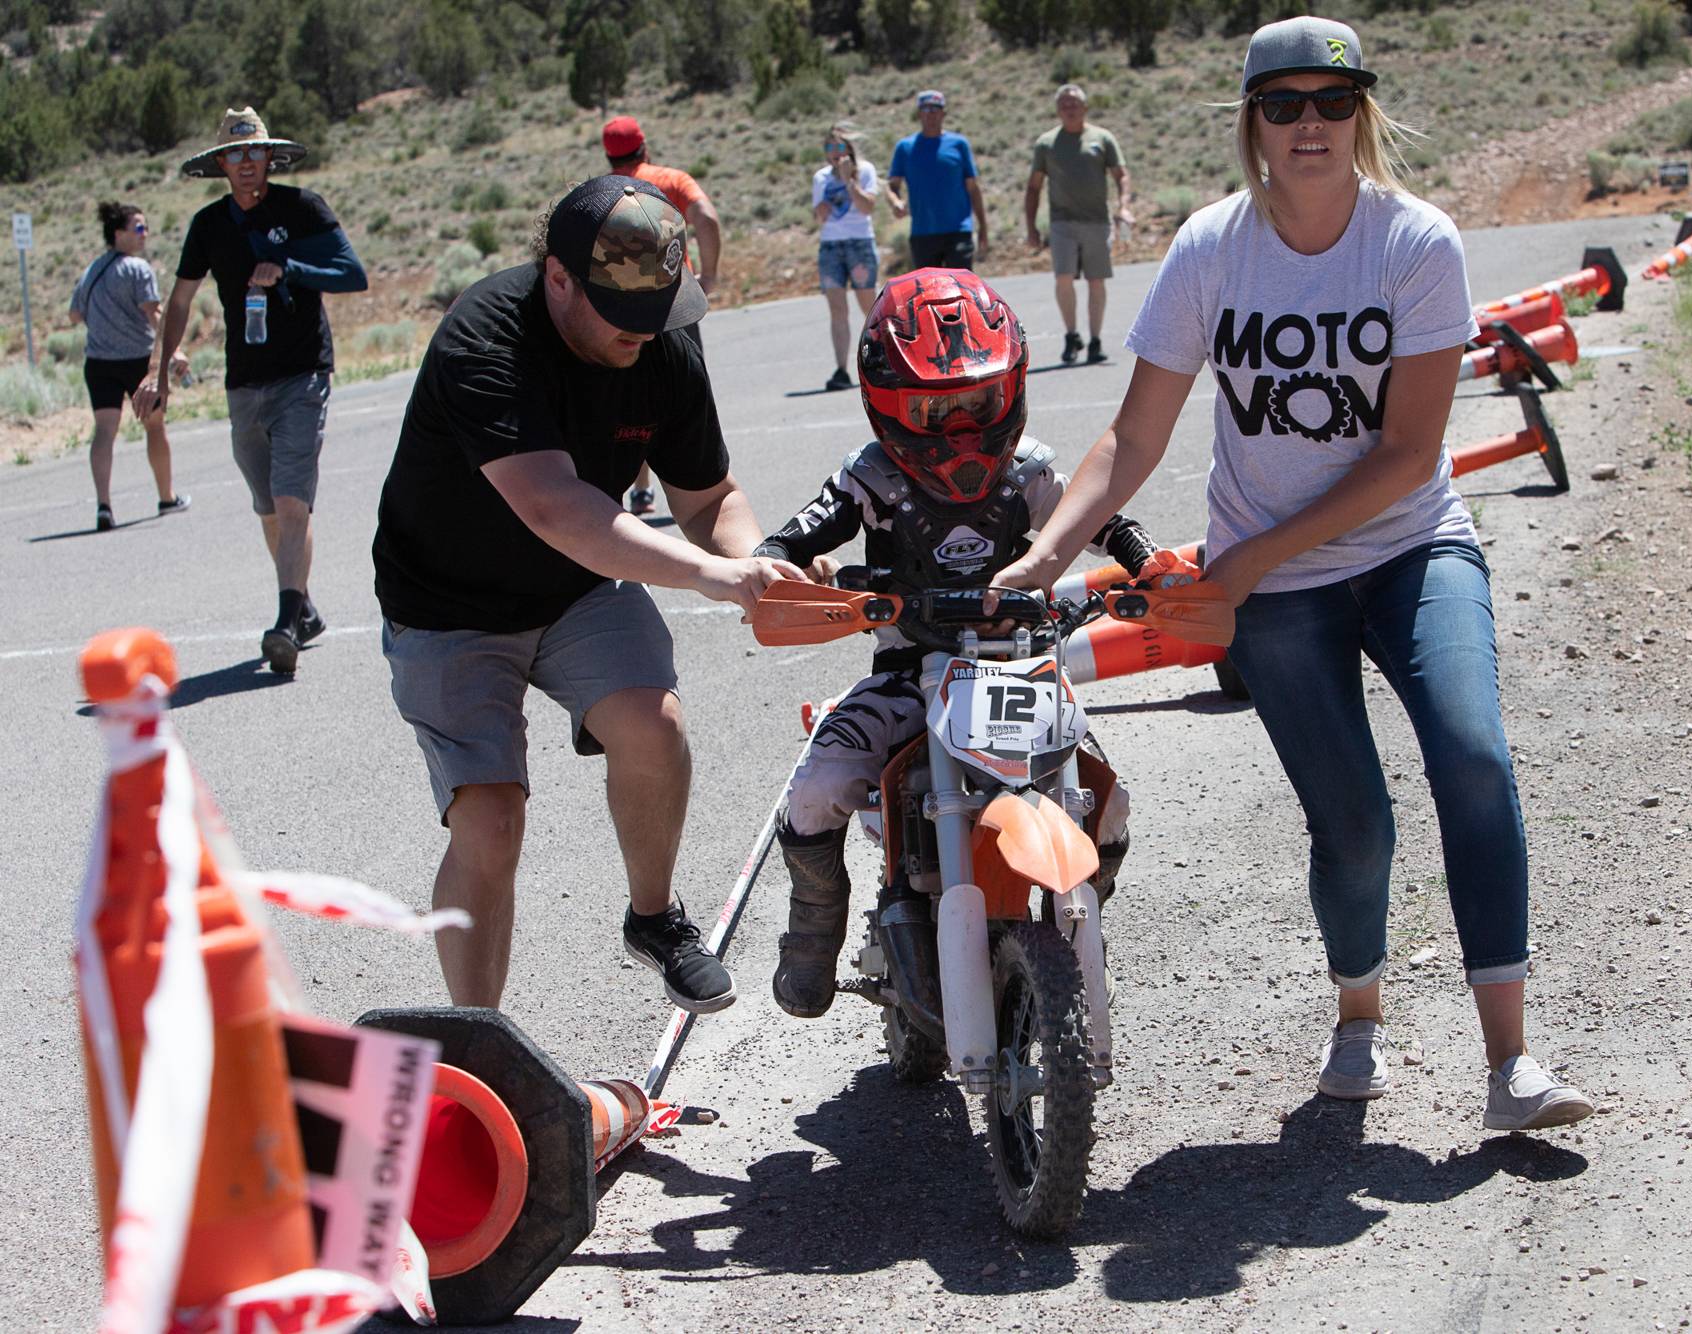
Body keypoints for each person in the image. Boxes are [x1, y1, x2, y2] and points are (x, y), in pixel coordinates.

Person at [990, 18, 1594, 1133]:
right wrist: (1043, 554)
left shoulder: (1415, 242)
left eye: (1330, 101)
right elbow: (1129, 439)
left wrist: (1244, 560)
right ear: (1250, 123)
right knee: (1352, 821)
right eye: (1282, 104)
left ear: (1359, 112)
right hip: (1275, 589)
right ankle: (1357, 1014)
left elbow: (1410, 453)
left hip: (1407, 546)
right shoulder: (1211, 249)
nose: (1307, 124)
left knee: (1471, 754)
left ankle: (1508, 1062)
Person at [371, 176, 805, 1010]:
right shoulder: (486, 339)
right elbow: (555, 507)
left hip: (575, 589)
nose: (643, 336)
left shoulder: (657, 337)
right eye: (624, 318)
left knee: (653, 724)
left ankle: (654, 918)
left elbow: (709, 499)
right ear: (558, 278)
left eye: (657, 315)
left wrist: (761, 561)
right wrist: (715, 577)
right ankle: (481, 1039)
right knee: (490, 824)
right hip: (447, 607)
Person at [753, 268, 1181, 1019]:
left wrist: (1147, 562)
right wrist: (783, 567)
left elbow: (1100, 518)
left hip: (1019, 673)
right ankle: (814, 929)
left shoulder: (1031, 471)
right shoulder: (871, 478)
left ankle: (1077, 913)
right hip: (906, 677)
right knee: (818, 788)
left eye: (977, 405)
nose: (959, 431)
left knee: (1105, 803)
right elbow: (794, 536)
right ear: (888, 407)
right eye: (933, 409)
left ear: (1011, 389)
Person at [135, 107, 367, 676]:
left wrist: (287, 266)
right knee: (268, 506)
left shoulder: (302, 208)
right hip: (243, 382)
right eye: (234, 154)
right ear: (220, 163)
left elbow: (351, 274)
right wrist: (157, 372)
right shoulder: (208, 226)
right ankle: (304, 606)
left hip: (303, 374)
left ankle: (285, 623)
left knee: (292, 500)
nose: (245, 163)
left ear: (269, 156)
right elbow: (182, 300)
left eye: (254, 152)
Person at [603, 114, 724, 517]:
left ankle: (636, 491)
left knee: (626, 396)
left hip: (619, 309)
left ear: (608, 155)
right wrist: (708, 275)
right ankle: (697, 493)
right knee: (685, 393)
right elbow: (705, 216)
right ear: (645, 148)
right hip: (674, 303)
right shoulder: (670, 180)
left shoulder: (603, 192)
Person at [70, 200, 190, 531]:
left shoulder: (92, 270)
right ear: (119, 233)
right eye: (138, 227)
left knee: (104, 431)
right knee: (154, 427)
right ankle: (166, 497)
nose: (144, 233)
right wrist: (175, 351)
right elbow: (154, 314)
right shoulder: (138, 269)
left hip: (98, 363)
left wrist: (105, 325)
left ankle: (103, 506)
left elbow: (74, 314)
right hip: (138, 363)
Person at [1024, 84, 1135, 367]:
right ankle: (1072, 335)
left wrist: (1124, 205)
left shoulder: (1102, 138)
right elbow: (1034, 187)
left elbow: (1121, 174)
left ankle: (1095, 341)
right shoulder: (1046, 144)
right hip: (1062, 223)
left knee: (1096, 281)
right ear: (1057, 110)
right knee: (1063, 278)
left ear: (1084, 107)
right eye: (1063, 104)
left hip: (1096, 221)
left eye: (1074, 103)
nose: (1069, 108)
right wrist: (1031, 227)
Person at [812, 122, 880, 393]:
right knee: (837, 309)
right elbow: (821, 217)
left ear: (849, 149)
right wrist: (826, 200)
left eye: (839, 146)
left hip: (859, 243)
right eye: (829, 147)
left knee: (869, 307)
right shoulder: (821, 178)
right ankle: (841, 368)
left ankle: (879, 358)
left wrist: (849, 182)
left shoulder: (865, 172)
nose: (834, 152)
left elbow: (867, 207)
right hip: (831, 246)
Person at [886, 90, 987, 271]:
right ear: (918, 114)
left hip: (958, 231)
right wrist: (896, 202)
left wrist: (983, 228)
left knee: (960, 290)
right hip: (923, 233)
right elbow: (892, 185)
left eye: (935, 109)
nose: (930, 114)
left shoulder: (959, 144)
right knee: (929, 294)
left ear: (943, 113)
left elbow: (973, 188)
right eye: (925, 109)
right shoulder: (905, 148)